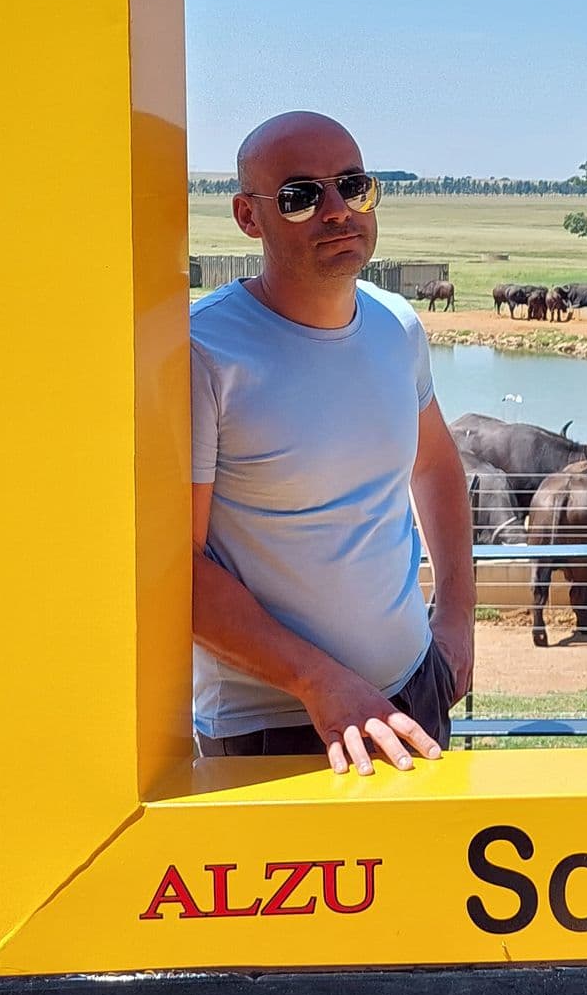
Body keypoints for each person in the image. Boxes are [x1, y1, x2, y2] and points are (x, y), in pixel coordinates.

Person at [190, 111, 474, 775]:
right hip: (274, 725)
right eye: (300, 196)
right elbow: (176, 569)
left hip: (415, 691)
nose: (337, 209)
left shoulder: (396, 325)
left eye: (353, 184)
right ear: (248, 217)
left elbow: (433, 465)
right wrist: (319, 682)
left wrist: (456, 614)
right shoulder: (203, 353)